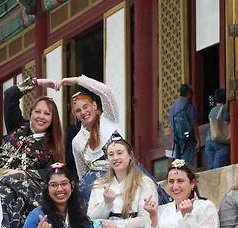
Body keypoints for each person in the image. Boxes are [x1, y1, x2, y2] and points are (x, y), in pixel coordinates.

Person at [60, 75, 169, 203]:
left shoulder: (109, 118)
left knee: (150, 197)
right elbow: (83, 174)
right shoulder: (76, 141)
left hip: (129, 173)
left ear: (94, 105)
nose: (83, 112)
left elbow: (106, 91)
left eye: (85, 106)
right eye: (78, 111)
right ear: (75, 116)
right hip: (103, 188)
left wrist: (78, 81)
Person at [0, 77, 65, 228]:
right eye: (38, 111)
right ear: (30, 113)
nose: (41, 117)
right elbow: (10, 95)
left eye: (47, 114)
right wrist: (38, 83)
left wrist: (22, 173)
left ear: (53, 119)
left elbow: (54, 171)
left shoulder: (52, 144)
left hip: (20, 185)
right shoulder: (17, 126)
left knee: (4, 195)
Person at [87, 136, 157, 228]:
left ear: (130, 155)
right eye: (111, 154)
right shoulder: (99, 184)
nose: (115, 158)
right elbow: (91, 218)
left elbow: (146, 220)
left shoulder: (145, 183)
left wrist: (118, 226)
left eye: (120, 153)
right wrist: (107, 204)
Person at [168, 84, 201, 167]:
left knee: (178, 164)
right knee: (187, 162)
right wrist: (198, 140)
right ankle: (186, 177)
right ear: (189, 94)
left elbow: (170, 126)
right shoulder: (188, 106)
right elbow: (194, 124)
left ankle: (178, 177)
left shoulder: (173, 107)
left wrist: (172, 142)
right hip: (188, 138)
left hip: (177, 139)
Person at [206, 88, 231, 170]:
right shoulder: (225, 108)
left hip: (209, 140)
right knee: (218, 169)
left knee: (211, 168)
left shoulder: (212, 110)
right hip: (220, 142)